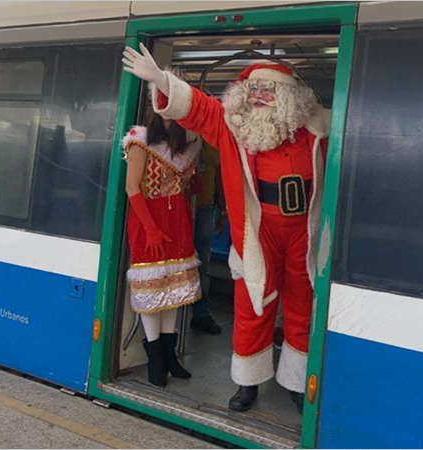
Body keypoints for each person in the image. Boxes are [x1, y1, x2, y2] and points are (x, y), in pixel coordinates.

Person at [123, 44, 330, 414]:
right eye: (253, 92)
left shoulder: (318, 128)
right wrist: (161, 80)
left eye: (269, 91)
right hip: (257, 232)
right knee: (253, 304)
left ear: (287, 97)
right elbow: (199, 107)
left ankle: (297, 383)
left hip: (306, 233)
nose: (260, 98)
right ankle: (247, 383)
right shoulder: (233, 128)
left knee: (302, 309)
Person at [122, 110, 202, 387]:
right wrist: (152, 229)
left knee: (174, 286)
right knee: (152, 286)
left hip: (177, 218)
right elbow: (132, 187)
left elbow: (189, 187)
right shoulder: (140, 139)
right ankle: (155, 358)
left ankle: (169, 356)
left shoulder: (187, 146)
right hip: (149, 219)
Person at [190, 140, 226, 335]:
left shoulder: (214, 144)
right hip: (181, 209)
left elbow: (219, 179)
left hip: (205, 209)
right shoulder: (182, 140)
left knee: (202, 265)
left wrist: (223, 211)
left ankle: (200, 314)